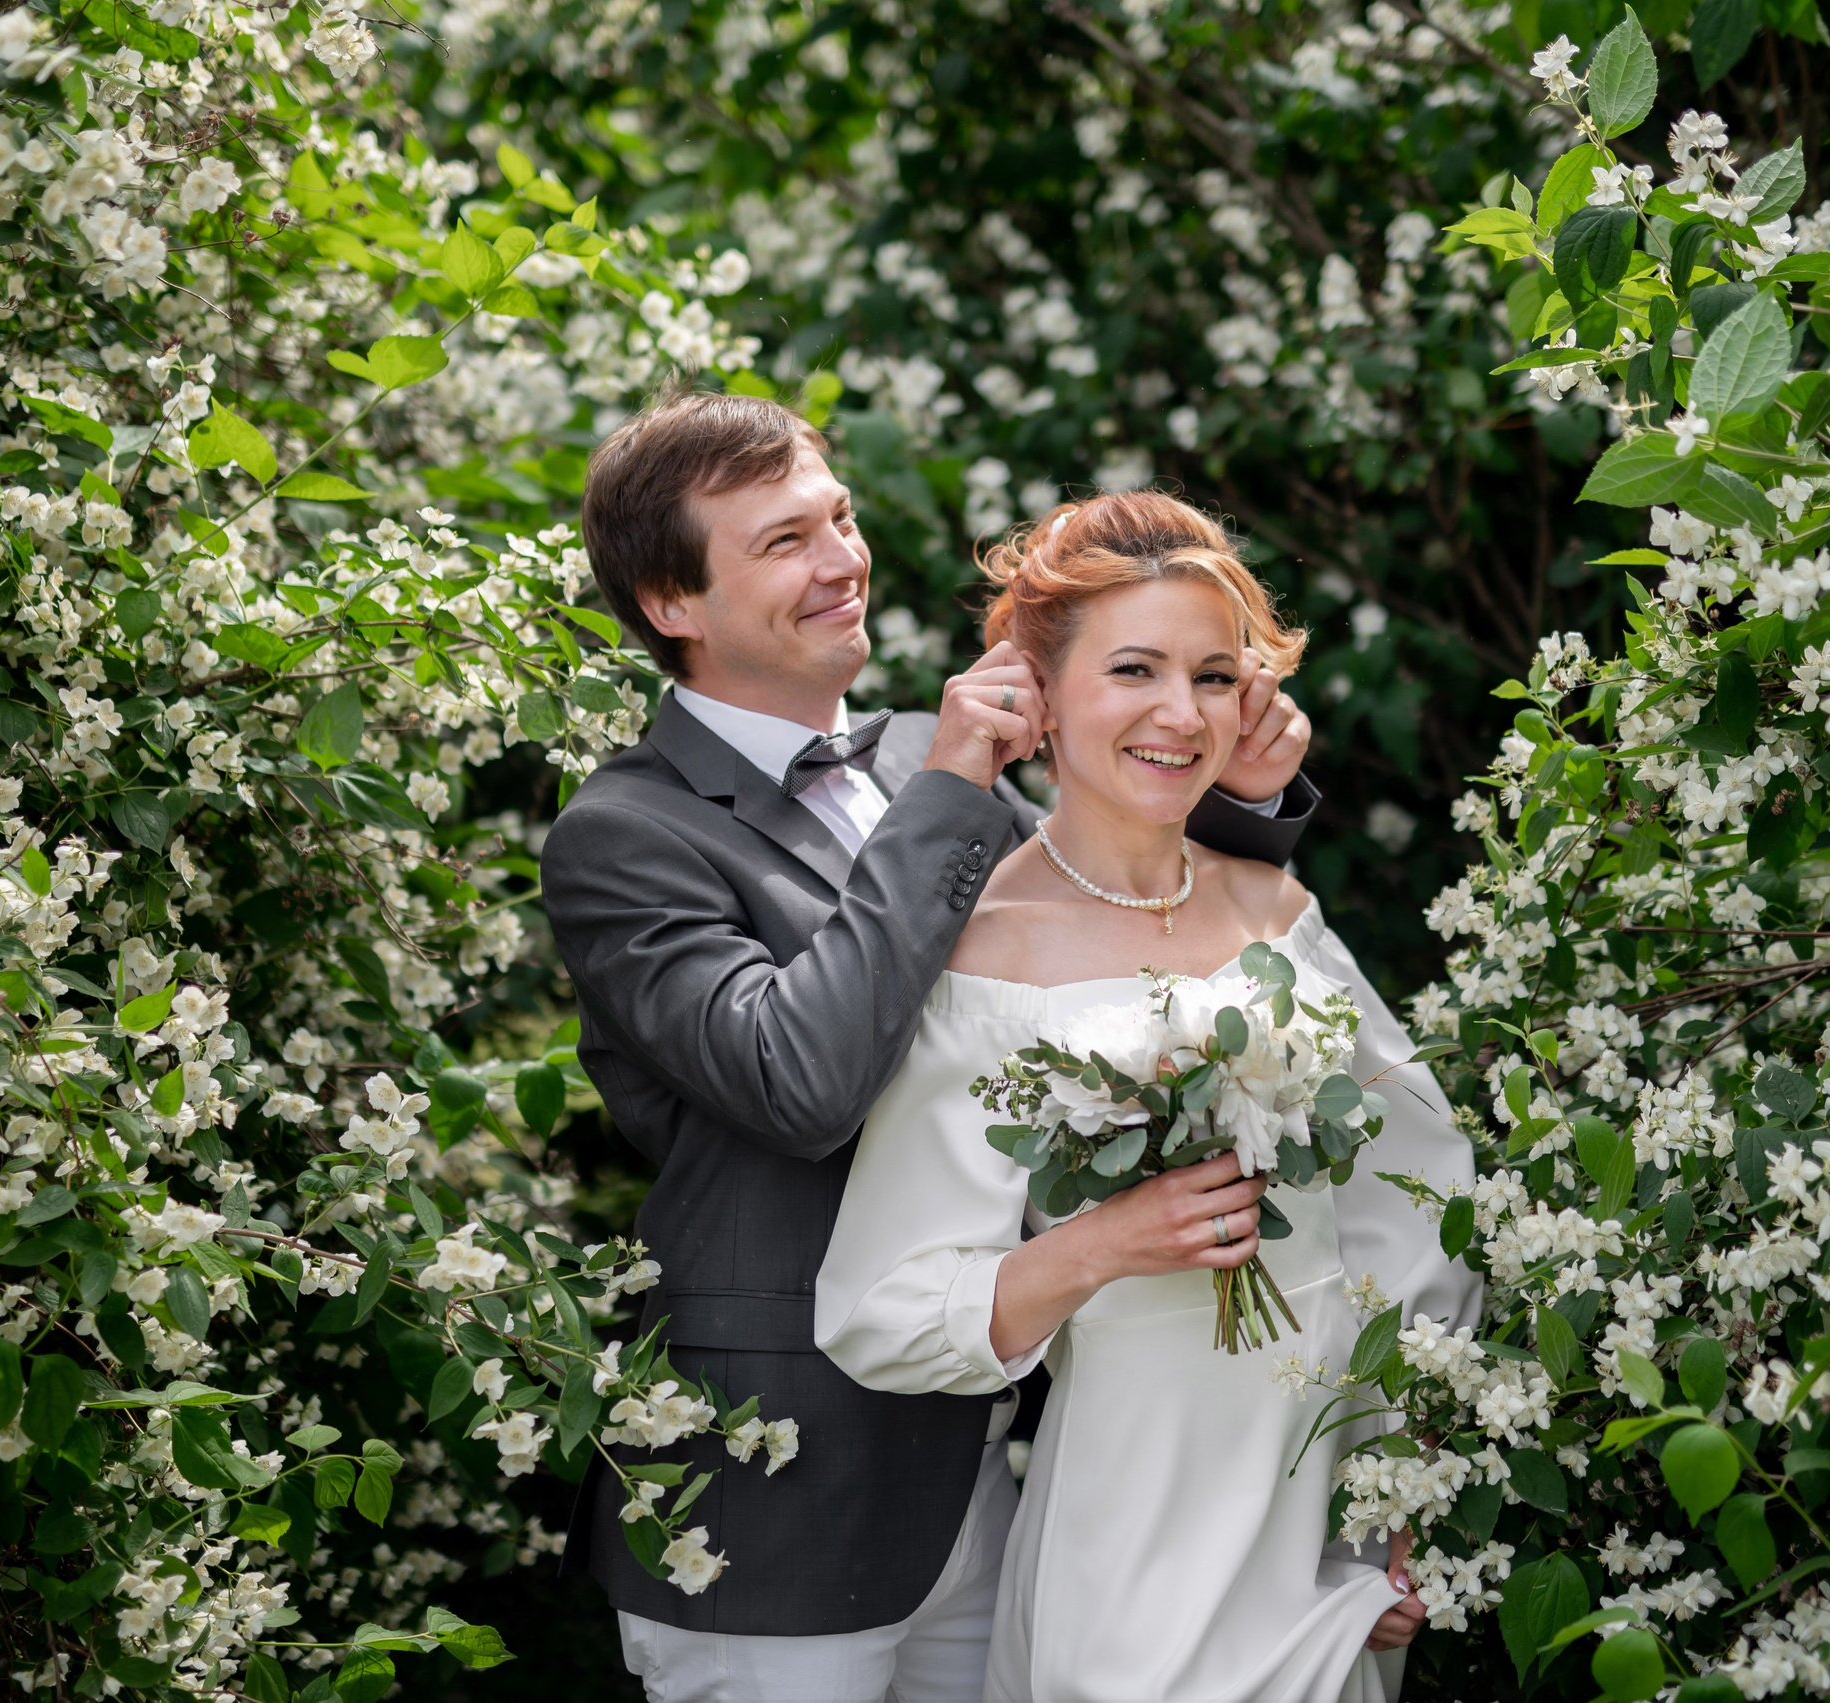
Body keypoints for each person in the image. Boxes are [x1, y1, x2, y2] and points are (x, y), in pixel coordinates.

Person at [541, 390, 1320, 1703]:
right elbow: (800, 1080)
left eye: (837, 518)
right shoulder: (624, 836)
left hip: (985, 1454)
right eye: (783, 541)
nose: (842, 559)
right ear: (673, 603)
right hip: (770, 1501)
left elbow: (1105, 933)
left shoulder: (919, 750)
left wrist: (1238, 807)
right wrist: (954, 791)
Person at [813, 491, 1483, 1703]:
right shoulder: (980, 956)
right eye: (1134, 669)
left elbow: (1420, 1199)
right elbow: (880, 1307)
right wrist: (1103, 1246)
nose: (1181, 713)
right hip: (1135, 1533)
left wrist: (1407, 1487)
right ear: (1039, 691)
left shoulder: (1277, 912)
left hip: (1329, 1523)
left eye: (1216, 675)